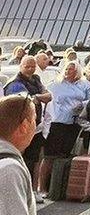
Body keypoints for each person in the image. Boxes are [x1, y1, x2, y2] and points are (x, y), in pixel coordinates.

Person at [3, 56, 52, 200]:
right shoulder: (15, 83)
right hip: (18, 128)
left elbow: (48, 96)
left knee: (34, 159)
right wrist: (37, 97)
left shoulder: (36, 79)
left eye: (32, 66)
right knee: (19, 160)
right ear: (21, 66)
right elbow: (27, 101)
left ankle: (32, 190)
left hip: (35, 126)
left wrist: (37, 96)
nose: (30, 69)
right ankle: (22, 192)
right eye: (27, 66)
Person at [46, 61, 90, 157]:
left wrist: (82, 104)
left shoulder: (85, 85)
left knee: (66, 152)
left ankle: (61, 171)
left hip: (74, 121)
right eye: (66, 69)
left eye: (71, 69)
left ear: (77, 71)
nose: (67, 71)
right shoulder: (56, 84)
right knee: (51, 154)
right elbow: (45, 95)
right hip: (57, 121)